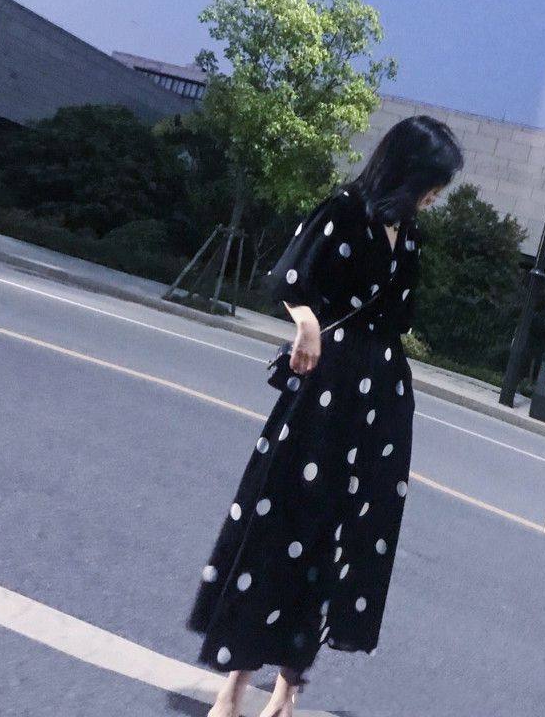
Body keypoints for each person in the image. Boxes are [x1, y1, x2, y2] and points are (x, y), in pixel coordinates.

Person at [186, 115, 464, 717]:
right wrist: (307, 322)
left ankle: (286, 692)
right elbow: (291, 275)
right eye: (433, 182)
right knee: (281, 523)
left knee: (341, 541)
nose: (436, 195)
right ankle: (233, 687)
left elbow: (399, 316)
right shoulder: (343, 210)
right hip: (326, 391)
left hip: (381, 401)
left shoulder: (409, 234)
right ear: (408, 170)